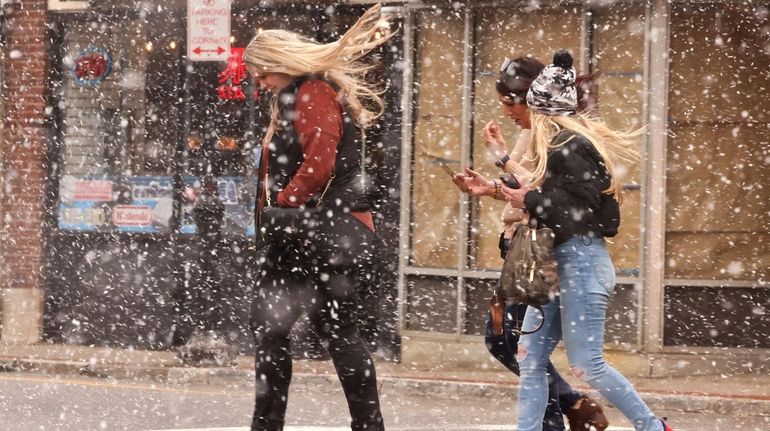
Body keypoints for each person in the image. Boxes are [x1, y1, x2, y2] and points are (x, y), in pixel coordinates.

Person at [466, 50, 674, 431]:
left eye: (526, 106)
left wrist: (525, 198)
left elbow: (583, 211)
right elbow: (544, 192)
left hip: (580, 263)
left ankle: (653, 427)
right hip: (556, 265)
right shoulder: (558, 145)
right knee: (528, 355)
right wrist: (502, 173)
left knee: (587, 365)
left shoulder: (571, 145)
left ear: (542, 109)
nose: (520, 115)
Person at [243, 5, 393, 431]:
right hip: (308, 235)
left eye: (261, 72)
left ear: (279, 63)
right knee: (285, 333)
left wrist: (285, 205)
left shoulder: (313, 92)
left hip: (318, 235)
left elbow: (319, 165)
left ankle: (363, 425)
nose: (258, 81)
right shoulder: (299, 95)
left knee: (333, 334)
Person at [455, 56, 608, 431]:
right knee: (513, 344)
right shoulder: (536, 130)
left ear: (529, 99)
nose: (506, 110)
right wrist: (496, 166)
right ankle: (570, 406)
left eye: (510, 102)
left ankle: (566, 411)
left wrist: (497, 172)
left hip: (540, 253)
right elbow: (524, 186)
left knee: (515, 346)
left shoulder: (550, 133)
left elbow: (533, 191)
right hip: (525, 250)